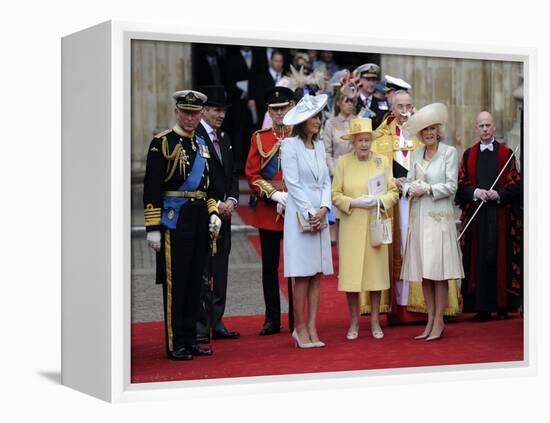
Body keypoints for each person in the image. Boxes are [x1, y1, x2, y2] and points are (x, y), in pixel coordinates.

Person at [143, 90, 222, 360]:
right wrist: (152, 227)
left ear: (201, 115)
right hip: (175, 221)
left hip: (200, 218)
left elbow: (210, 187)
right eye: (185, 112)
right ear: (177, 112)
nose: (190, 118)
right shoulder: (162, 143)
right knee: (176, 283)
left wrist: (213, 213)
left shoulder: (201, 145)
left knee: (195, 282)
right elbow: (152, 188)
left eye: (194, 113)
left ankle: (191, 339)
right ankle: (175, 342)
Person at [400, 103, 465, 341]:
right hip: (419, 218)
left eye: (432, 129)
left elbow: (451, 185)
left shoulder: (448, 152)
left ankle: (439, 321)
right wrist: (409, 188)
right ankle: (429, 319)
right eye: (424, 130)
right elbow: (407, 182)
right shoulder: (416, 154)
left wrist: (428, 188)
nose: (428, 133)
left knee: (439, 273)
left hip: (439, 218)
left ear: (438, 130)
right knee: (425, 273)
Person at [332, 118, 399, 340]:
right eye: (359, 140)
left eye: (366, 140)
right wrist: (353, 203)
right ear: (352, 142)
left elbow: (393, 192)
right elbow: (335, 195)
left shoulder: (381, 161)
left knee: (375, 276)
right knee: (352, 278)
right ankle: (353, 323)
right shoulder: (343, 162)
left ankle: (375, 323)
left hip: (374, 223)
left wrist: (378, 201)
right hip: (351, 226)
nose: (363, 144)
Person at [456, 111, 521, 321]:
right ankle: (481, 307)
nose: (485, 129)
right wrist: (476, 192)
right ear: (477, 128)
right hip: (477, 218)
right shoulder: (468, 155)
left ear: (494, 127)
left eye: (488, 125)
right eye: (481, 125)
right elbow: (461, 185)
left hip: (500, 216)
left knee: (500, 258)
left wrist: (498, 194)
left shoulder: (507, 154)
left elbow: (516, 185)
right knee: (478, 260)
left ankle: (502, 307)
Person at [281, 93, 334, 348]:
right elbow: (292, 183)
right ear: (302, 121)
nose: (318, 120)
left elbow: (325, 181)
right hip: (300, 216)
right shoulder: (289, 146)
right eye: (314, 116)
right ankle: (299, 328)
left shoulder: (321, 146)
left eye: (320, 116)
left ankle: (313, 327)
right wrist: (311, 212)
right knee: (301, 274)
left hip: (319, 215)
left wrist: (324, 208)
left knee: (315, 274)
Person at [245, 86, 295, 336]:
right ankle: (272, 319)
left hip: (295, 208)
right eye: (274, 109)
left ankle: (297, 320)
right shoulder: (259, 137)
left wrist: (293, 196)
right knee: (269, 268)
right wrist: (273, 193)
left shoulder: (299, 134)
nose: (278, 113)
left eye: (283, 108)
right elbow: (252, 174)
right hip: (268, 209)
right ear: (268, 111)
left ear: (291, 107)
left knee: (296, 267)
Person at [371, 90, 425, 323]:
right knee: (399, 249)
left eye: (408, 106)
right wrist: (393, 181)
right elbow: (373, 173)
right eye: (399, 107)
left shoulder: (424, 132)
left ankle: (421, 304)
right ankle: (400, 307)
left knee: (417, 249)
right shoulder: (380, 136)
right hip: (394, 202)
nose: (404, 112)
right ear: (391, 108)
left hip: (418, 200)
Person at [194, 85, 240, 343]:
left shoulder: (226, 137)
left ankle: (216, 321)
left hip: (226, 213)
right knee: (203, 270)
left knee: (220, 269)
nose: (220, 115)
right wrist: (215, 204)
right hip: (204, 213)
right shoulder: (195, 136)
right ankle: (201, 325)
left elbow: (232, 174)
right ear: (204, 111)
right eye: (215, 109)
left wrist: (232, 199)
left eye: (223, 110)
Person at [324, 77, 358, 244]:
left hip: (354, 170)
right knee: (337, 211)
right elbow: (327, 151)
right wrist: (334, 172)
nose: (350, 104)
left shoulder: (359, 122)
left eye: (352, 101)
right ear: (338, 103)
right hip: (335, 171)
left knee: (352, 210)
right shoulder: (331, 123)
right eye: (346, 101)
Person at [353, 63, 388, 129]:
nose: (371, 84)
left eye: (373, 80)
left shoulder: (382, 103)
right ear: (359, 80)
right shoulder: (353, 102)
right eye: (368, 80)